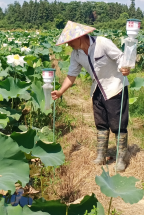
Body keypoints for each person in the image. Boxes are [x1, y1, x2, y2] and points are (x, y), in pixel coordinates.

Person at [51, 21, 131, 172]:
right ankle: (101, 154)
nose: (68, 45)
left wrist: (124, 67)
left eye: (69, 41)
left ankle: (122, 157)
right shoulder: (76, 54)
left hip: (114, 86)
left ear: (80, 37)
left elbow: (120, 57)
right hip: (97, 89)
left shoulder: (102, 43)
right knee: (100, 123)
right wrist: (60, 92)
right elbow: (71, 75)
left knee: (117, 124)